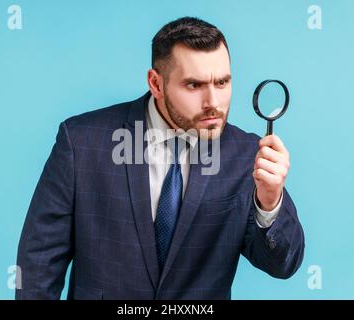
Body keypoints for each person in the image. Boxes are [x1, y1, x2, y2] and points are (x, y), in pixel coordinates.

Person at [16, 16, 304, 300]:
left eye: (222, 83)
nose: (213, 103)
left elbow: (283, 264)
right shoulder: (81, 141)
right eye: (194, 85)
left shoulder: (246, 155)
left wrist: (269, 202)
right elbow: (38, 264)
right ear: (156, 83)